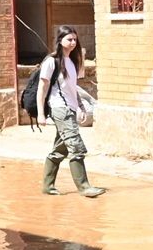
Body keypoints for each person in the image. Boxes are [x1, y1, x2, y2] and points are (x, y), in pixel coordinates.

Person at [36, 26, 103, 198]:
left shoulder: (73, 61)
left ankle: (47, 186)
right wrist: (41, 113)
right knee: (76, 147)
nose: (73, 43)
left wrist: (80, 107)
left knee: (61, 149)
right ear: (59, 41)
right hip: (59, 109)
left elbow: (74, 89)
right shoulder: (51, 61)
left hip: (70, 109)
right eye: (69, 39)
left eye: (74, 39)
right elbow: (42, 88)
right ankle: (84, 187)